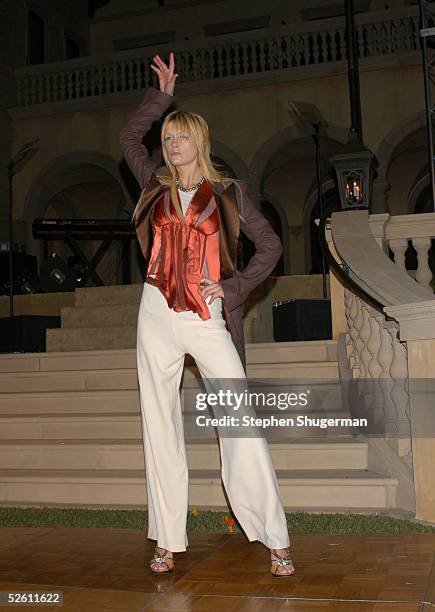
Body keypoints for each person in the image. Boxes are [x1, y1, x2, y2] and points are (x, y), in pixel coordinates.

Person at [119, 52, 294, 577]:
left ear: (200, 141)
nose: (171, 146)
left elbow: (271, 246)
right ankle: (168, 540)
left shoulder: (229, 193)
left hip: (206, 315)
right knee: (160, 426)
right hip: (155, 311)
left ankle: (274, 536)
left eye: (179, 136)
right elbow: (130, 139)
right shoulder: (154, 183)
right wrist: (162, 98)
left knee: (238, 422)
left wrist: (233, 287)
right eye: (167, 138)